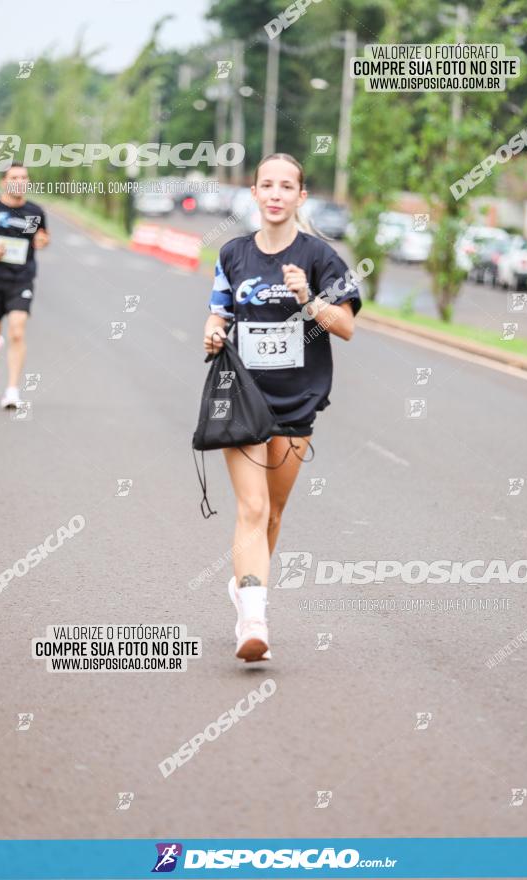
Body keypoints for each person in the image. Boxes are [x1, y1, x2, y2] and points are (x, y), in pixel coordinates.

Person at [203, 153, 362, 663]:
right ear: (254, 193)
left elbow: (346, 326)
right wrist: (212, 332)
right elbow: (218, 312)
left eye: (285, 186)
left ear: (300, 196)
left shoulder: (321, 258)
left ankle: (246, 586)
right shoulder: (232, 254)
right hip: (243, 397)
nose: (275, 194)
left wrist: (308, 297)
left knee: (273, 512)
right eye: (266, 185)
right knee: (251, 508)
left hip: (298, 400)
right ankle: (254, 619)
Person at [0, 162, 50, 408]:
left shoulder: (36, 212)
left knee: (17, 330)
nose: (20, 181)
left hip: (22, 278)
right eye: (14, 177)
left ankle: (12, 391)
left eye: (24, 177)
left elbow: (42, 237)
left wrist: (42, 241)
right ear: (4, 182)